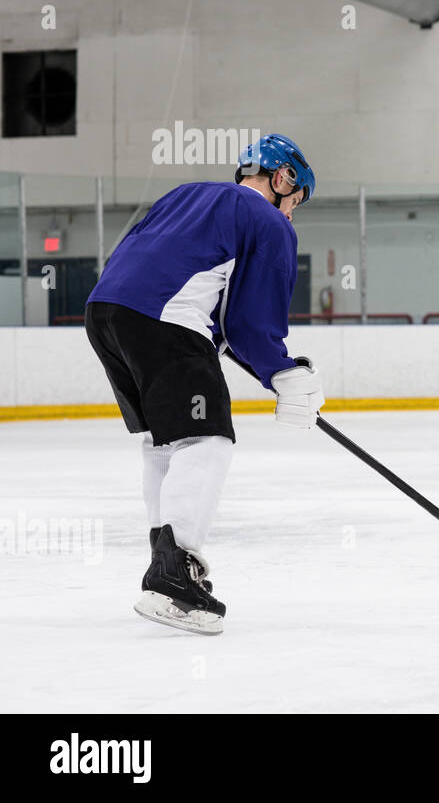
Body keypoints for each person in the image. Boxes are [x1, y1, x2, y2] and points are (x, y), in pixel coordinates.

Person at [84, 133, 325, 635]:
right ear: (283, 179)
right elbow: (252, 323)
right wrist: (284, 372)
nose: (292, 214)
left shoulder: (185, 195)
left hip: (107, 313)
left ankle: (164, 564)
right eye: (295, 200)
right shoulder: (266, 221)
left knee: (165, 440)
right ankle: (173, 575)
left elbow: (162, 269)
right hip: (165, 320)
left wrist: (219, 344)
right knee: (206, 438)